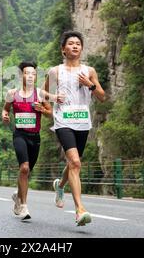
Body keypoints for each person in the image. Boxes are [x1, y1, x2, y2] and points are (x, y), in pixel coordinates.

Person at [44, 30, 105, 226]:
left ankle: (60, 185)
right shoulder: (55, 71)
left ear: (82, 48)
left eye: (78, 43)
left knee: (73, 164)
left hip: (82, 122)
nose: (75, 46)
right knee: (76, 163)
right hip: (63, 122)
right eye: (70, 43)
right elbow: (43, 94)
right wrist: (53, 98)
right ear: (63, 49)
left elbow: (102, 97)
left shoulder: (90, 71)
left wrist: (90, 85)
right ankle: (80, 210)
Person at [2, 62, 52, 220]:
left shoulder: (41, 94)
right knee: (24, 168)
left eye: (33, 74)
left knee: (27, 171)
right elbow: (6, 108)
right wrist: (5, 115)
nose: (30, 76)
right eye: (26, 73)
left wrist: (42, 110)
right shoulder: (12, 93)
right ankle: (24, 206)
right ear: (21, 75)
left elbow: (50, 113)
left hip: (35, 137)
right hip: (20, 135)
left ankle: (18, 195)